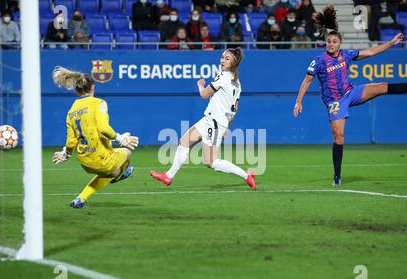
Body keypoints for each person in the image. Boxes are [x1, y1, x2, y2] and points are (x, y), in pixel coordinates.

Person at [293, 5, 407, 186]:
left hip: (351, 92)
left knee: (382, 86)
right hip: (335, 101)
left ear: (339, 44)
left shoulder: (346, 55)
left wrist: (391, 43)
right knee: (339, 137)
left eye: (334, 42)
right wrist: (298, 102)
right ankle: (337, 175)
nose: (330, 44)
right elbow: (306, 81)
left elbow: (371, 51)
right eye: (328, 41)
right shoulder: (319, 60)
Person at [149, 48, 256, 190]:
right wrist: (227, 126)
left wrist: (200, 85)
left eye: (227, 58)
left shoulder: (224, 77)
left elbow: (204, 94)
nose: (223, 60)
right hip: (211, 119)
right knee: (184, 141)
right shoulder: (237, 83)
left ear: (234, 63)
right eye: (223, 57)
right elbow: (234, 109)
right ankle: (168, 176)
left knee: (211, 162)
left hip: (215, 122)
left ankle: (246, 176)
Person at [51, 66, 139, 208]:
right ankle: (120, 174)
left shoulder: (71, 111)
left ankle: (81, 199)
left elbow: (71, 141)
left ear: (76, 89)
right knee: (127, 153)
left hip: (85, 162)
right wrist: (121, 139)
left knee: (111, 172)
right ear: (93, 87)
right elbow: (103, 128)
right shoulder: (99, 103)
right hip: (102, 159)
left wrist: (65, 155)